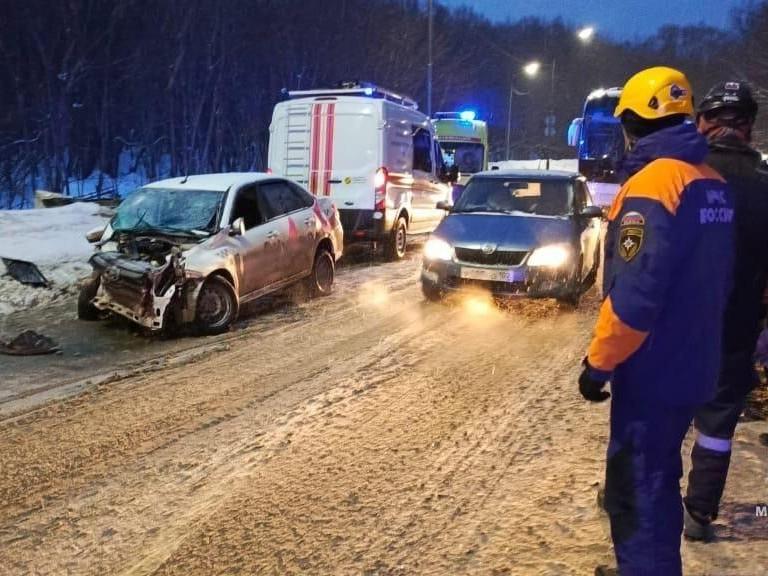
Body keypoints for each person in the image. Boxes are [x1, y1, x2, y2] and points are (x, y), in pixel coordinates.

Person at [578, 67, 735, 576]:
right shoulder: (711, 183)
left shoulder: (653, 186)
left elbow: (635, 297)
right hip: (695, 361)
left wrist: (598, 363)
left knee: (636, 489)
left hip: (653, 370)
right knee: (660, 480)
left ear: (631, 124)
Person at [683, 81, 768, 541]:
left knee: (662, 418)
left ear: (703, 124)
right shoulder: (765, 190)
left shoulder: (681, 177)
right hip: (735, 333)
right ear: (749, 130)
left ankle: (642, 499)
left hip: (677, 331)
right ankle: (698, 514)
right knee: (717, 426)